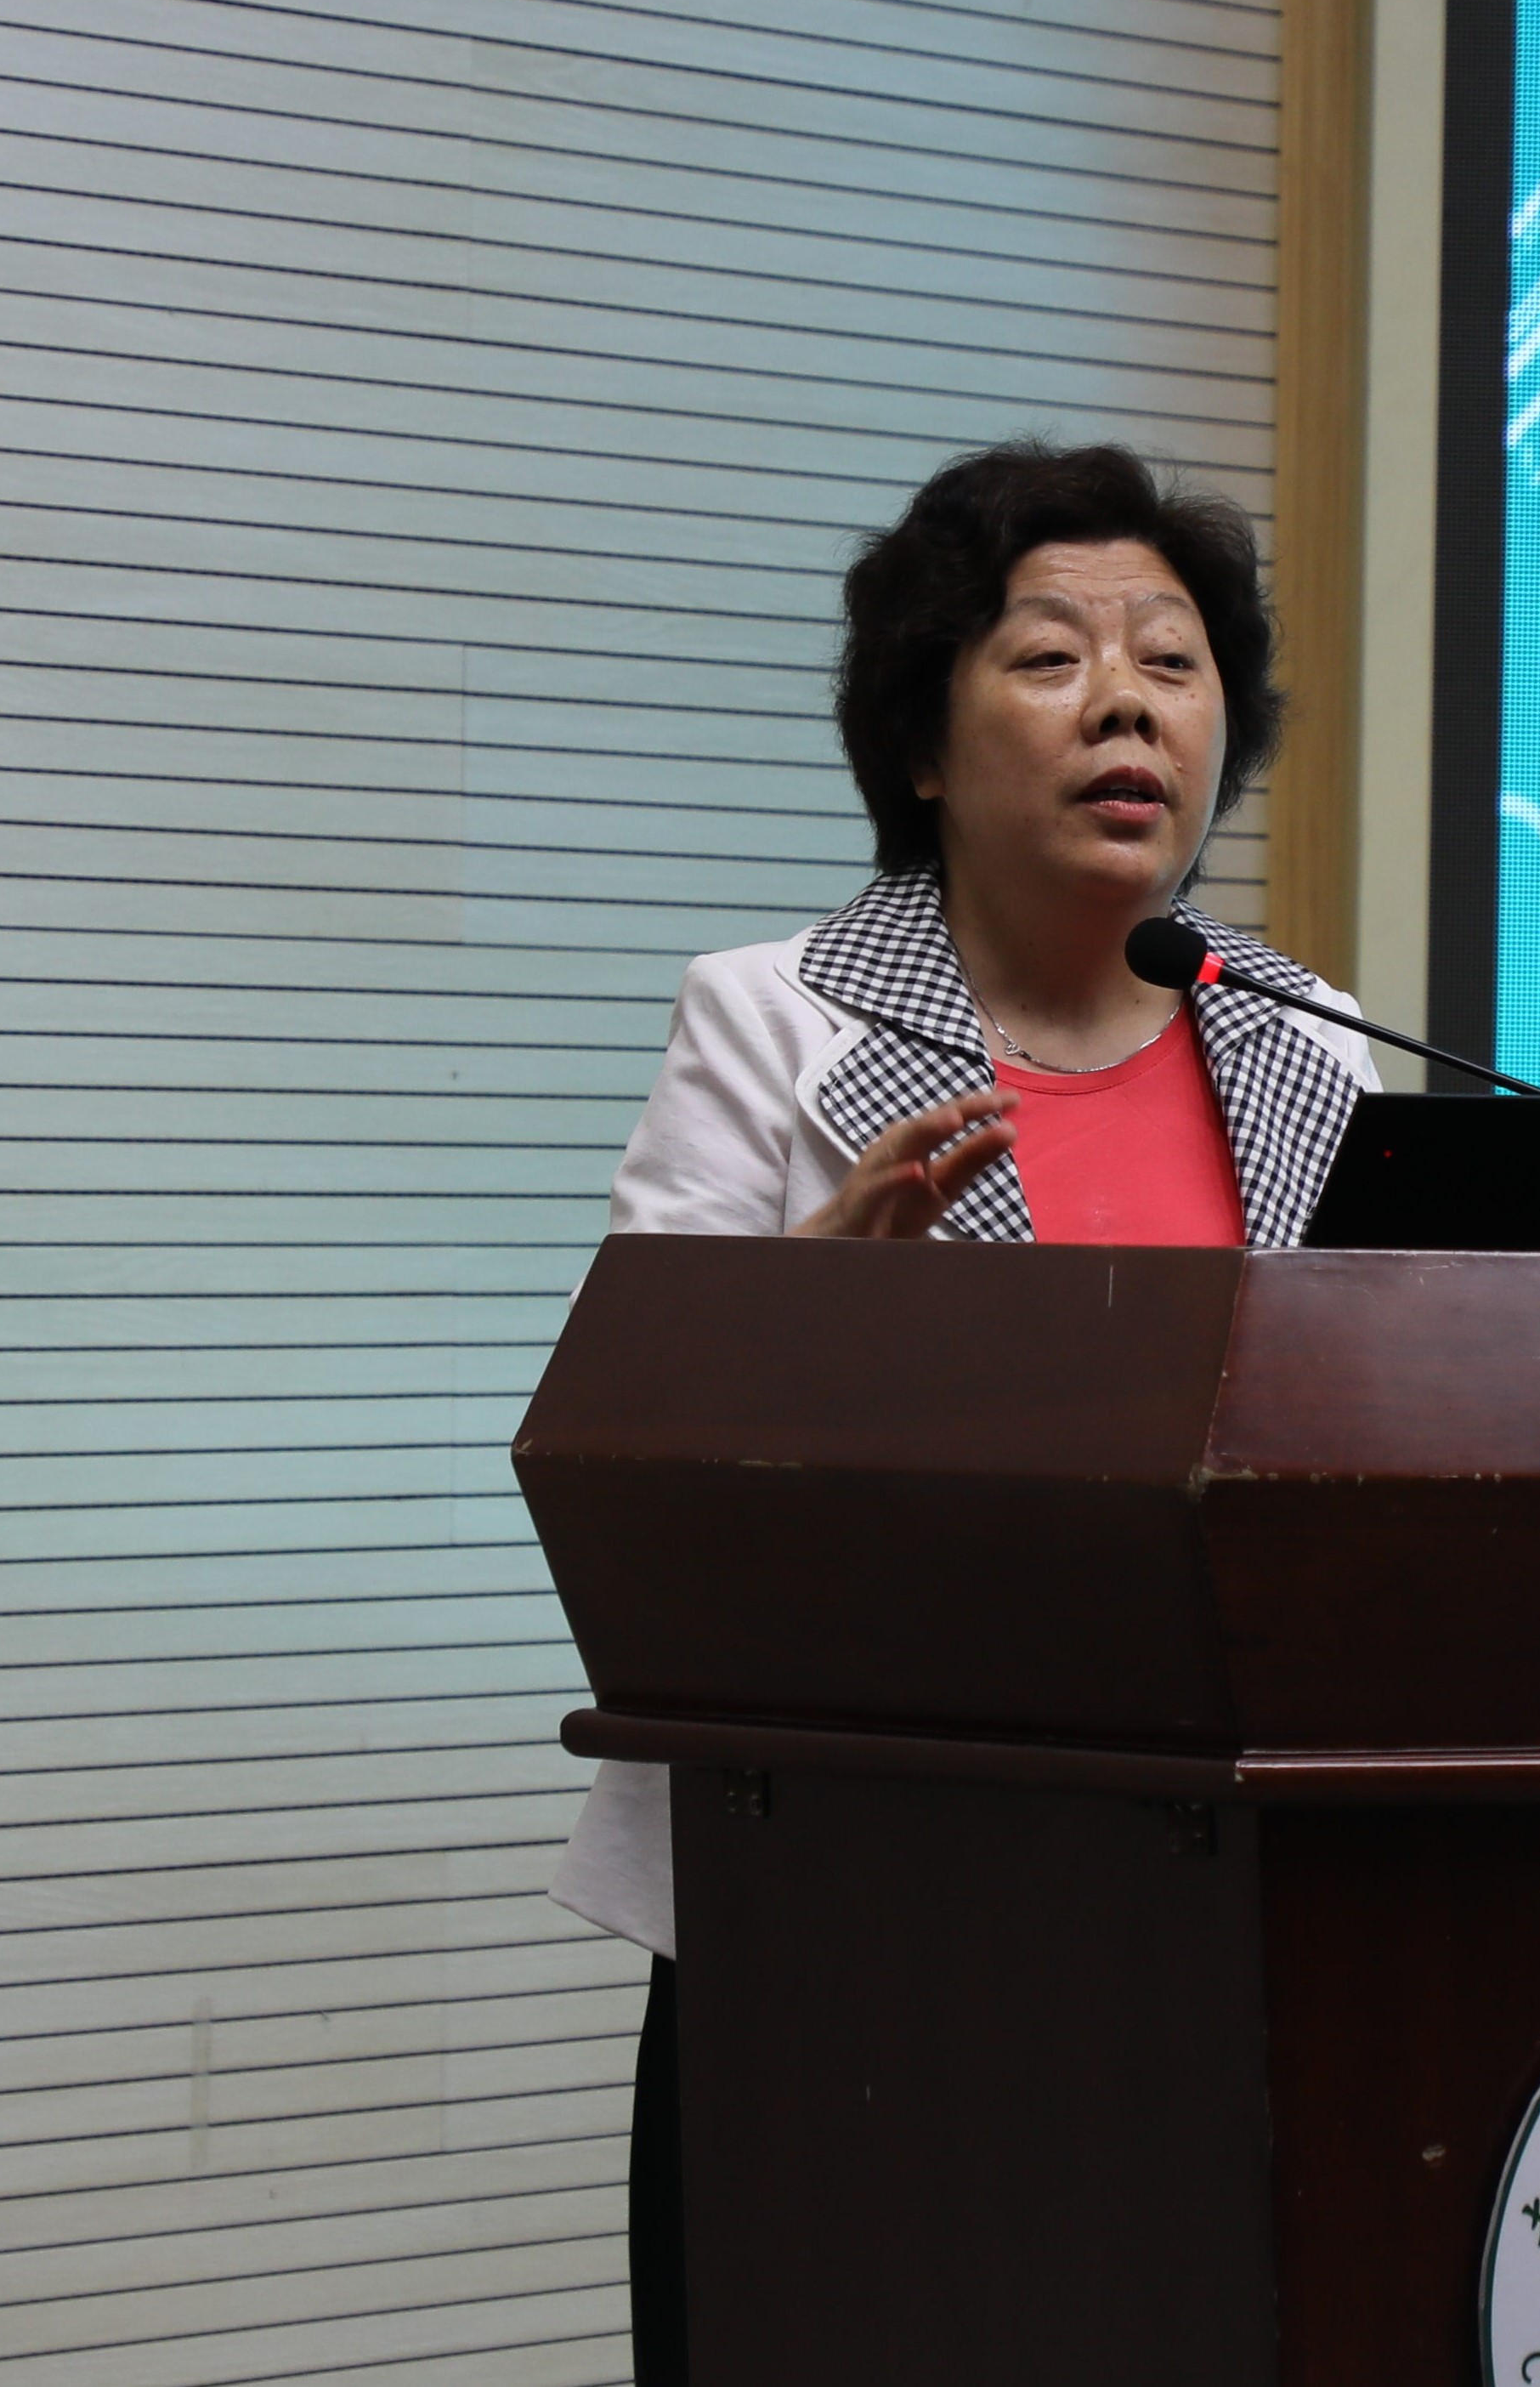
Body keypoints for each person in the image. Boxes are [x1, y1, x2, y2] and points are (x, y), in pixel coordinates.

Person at [542, 439, 1378, 2378]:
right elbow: (619, 1462)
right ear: (923, 745)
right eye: (1052, 657)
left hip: (1210, 1910)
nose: (1126, 706)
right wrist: (809, 1305)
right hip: (841, 1909)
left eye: (1172, 664)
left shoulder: (1314, 1043)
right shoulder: (776, 1020)